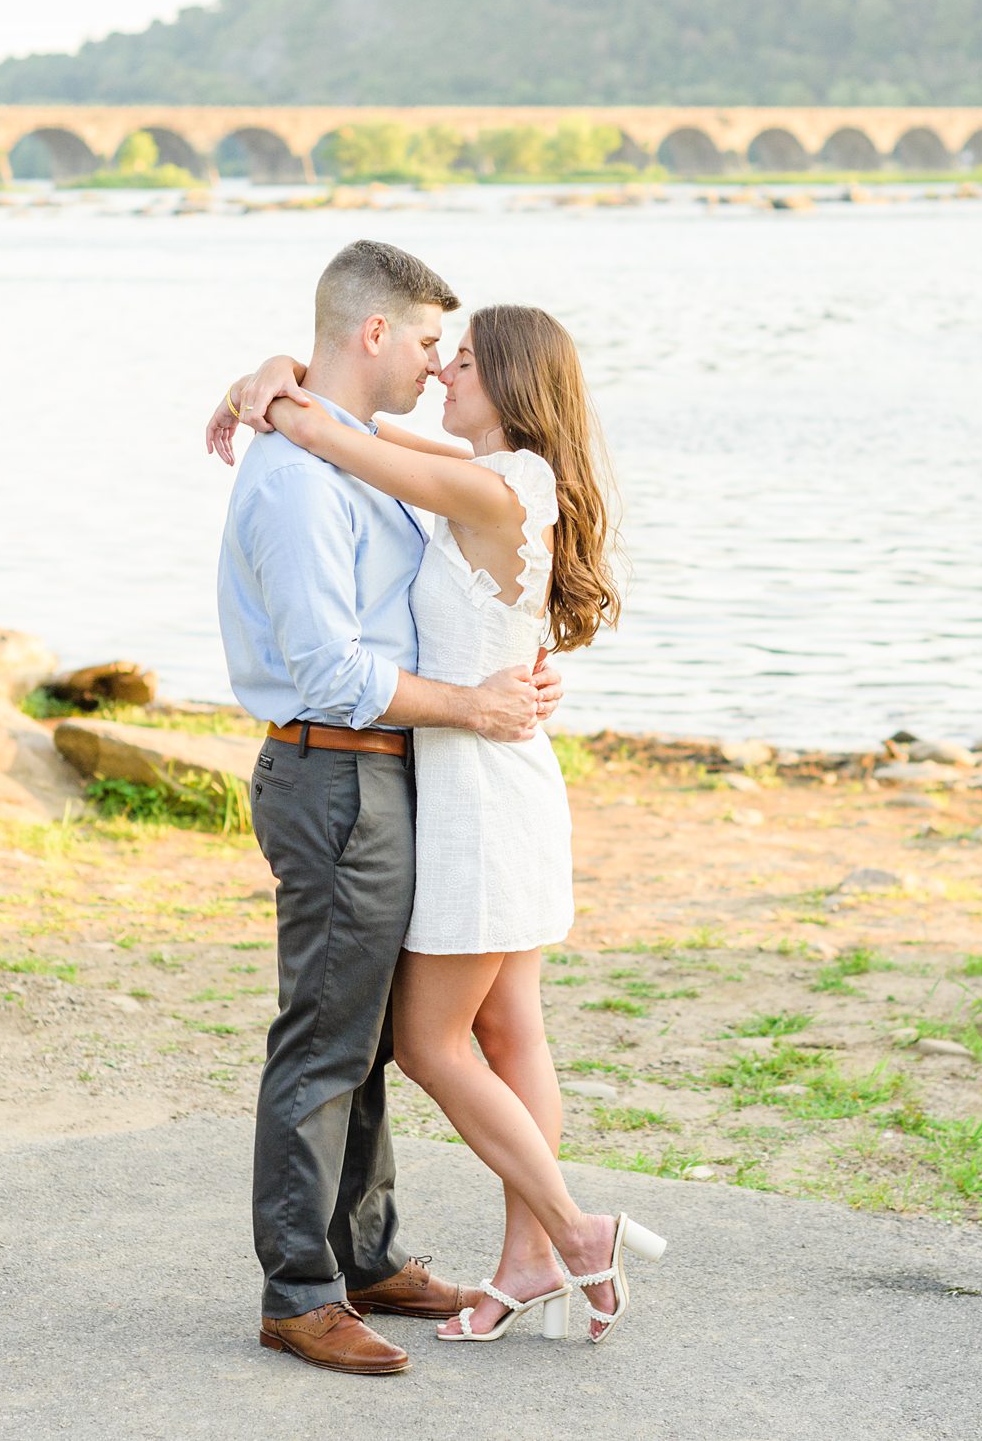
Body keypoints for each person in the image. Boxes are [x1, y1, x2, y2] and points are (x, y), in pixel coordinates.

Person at [213, 298, 664, 1350]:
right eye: (438, 354)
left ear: (508, 384)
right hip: (492, 777)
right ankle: (525, 1262)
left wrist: (268, 383)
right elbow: (355, 426)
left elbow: (330, 429)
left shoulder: (486, 483)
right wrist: (275, 370)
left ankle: (573, 1229)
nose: (442, 374)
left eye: (461, 363)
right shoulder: (508, 478)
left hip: (477, 789)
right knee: (510, 1031)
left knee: (427, 1039)